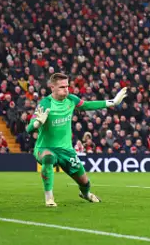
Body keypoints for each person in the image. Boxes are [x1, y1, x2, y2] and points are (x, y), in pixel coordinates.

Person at [27, 72, 127, 207]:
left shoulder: (71, 100)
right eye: (62, 87)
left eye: (67, 86)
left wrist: (113, 102)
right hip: (45, 147)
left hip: (67, 150)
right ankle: (49, 198)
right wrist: (37, 123)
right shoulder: (45, 104)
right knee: (48, 158)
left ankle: (85, 194)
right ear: (52, 87)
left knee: (85, 183)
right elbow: (28, 129)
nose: (66, 89)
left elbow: (87, 105)